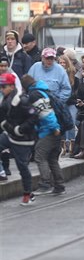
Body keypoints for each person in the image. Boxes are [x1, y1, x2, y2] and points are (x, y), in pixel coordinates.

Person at [20, 75, 64, 196]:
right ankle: (59, 184)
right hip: (53, 129)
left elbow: (46, 112)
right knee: (52, 158)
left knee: (40, 156)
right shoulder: (42, 90)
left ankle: (45, 184)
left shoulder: (35, 94)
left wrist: (54, 127)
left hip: (48, 130)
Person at [0, 73, 38, 205]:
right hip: (9, 134)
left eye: (4, 86)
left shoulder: (22, 100)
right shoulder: (5, 99)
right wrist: (5, 125)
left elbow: (34, 117)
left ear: (11, 86)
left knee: (22, 166)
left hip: (23, 139)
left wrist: (20, 130)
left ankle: (28, 193)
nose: (1, 89)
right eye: (1, 86)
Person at [57, 54, 79, 157]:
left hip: (71, 102)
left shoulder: (73, 75)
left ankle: (71, 144)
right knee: (62, 122)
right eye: (60, 63)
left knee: (72, 122)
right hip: (61, 102)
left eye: (64, 62)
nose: (62, 65)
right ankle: (63, 145)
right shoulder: (57, 75)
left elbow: (76, 90)